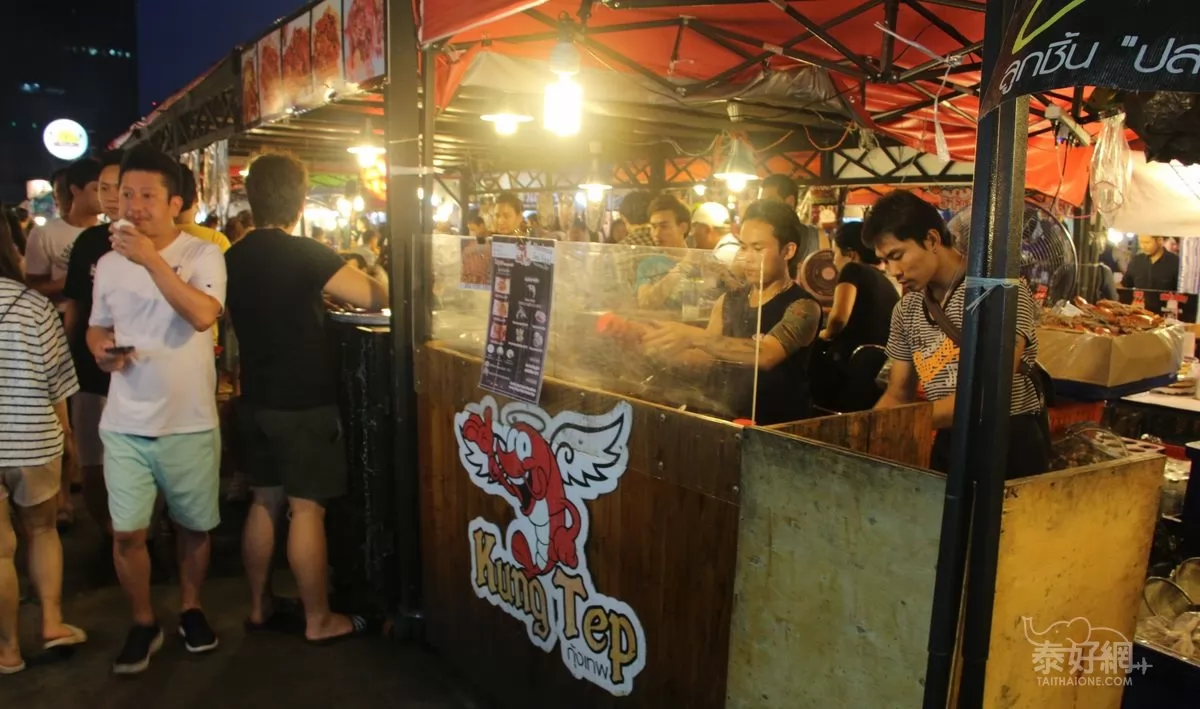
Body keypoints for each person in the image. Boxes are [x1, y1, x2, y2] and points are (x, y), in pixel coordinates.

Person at [225, 153, 388, 644]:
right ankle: (319, 619)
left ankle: (259, 606)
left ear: (253, 199)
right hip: (302, 402)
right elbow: (374, 297)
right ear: (299, 202)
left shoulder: (232, 257)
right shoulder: (306, 254)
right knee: (307, 509)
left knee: (264, 501)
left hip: (255, 398)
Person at [86, 146, 227, 673]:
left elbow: (202, 315)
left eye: (147, 195)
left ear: (175, 203)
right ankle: (144, 621)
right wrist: (101, 349)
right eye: (127, 194)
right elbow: (97, 325)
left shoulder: (203, 254)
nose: (134, 205)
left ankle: (191, 608)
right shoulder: (107, 264)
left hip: (188, 420)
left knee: (193, 526)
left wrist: (149, 258)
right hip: (124, 420)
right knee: (127, 532)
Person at [863, 190, 1048, 478]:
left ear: (932, 239)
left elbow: (989, 393)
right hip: (949, 439)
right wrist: (864, 433)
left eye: (897, 256)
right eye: (884, 261)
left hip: (1007, 444)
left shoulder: (999, 293)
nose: (893, 271)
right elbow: (898, 394)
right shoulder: (907, 310)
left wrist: (906, 422)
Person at [640, 200, 822, 425]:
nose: (748, 258)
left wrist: (693, 336)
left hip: (775, 426)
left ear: (788, 250)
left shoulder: (803, 306)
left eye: (758, 249)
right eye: (743, 247)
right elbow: (708, 359)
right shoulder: (728, 301)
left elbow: (765, 354)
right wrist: (657, 346)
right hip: (726, 419)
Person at [0, 215, 89, 676]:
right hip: (33, 438)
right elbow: (58, 383)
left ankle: (8, 649)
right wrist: (68, 439)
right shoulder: (33, 306)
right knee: (42, 531)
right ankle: (52, 623)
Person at [63, 150, 126, 537]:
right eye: (103, 188)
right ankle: (108, 534)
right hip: (90, 370)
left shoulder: (157, 245)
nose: (111, 196)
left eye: (118, 187)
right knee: (93, 460)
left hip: (137, 370)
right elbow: (75, 307)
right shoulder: (88, 242)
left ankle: (142, 534)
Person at [815, 221, 899, 411]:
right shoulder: (886, 281)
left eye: (835, 254)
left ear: (851, 254)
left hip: (850, 368)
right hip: (876, 374)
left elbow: (839, 319)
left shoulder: (852, 269)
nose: (833, 261)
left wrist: (824, 334)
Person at [26, 158, 103, 312]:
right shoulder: (43, 234)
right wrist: (67, 282)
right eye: (98, 189)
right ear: (75, 190)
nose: (105, 196)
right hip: (59, 315)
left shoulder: (110, 231)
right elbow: (32, 288)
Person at [1123, 235, 1181, 301]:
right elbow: (1125, 285)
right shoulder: (1136, 261)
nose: (1143, 246)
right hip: (1140, 306)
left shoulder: (1176, 263)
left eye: (1147, 242)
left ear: (1160, 241)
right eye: (1141, 242)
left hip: (1166, 306)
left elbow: (1183, 295)